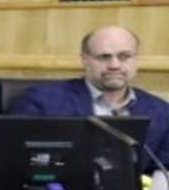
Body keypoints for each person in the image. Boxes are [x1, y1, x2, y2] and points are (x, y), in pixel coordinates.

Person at [9, 25, 169, 170]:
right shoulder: (43, 100)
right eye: (104, 57)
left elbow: (163, 168)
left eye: (124, 56)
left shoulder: (161, 111)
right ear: (85, 60)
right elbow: (15, 158)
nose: (114, 65)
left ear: (136, 60)